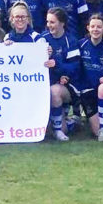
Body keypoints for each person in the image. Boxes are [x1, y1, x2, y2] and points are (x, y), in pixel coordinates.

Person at [75, 14, 103, 141]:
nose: (95, 29)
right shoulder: (81, 45)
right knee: (95, 130)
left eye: (99, 27)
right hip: (87, 92)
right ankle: (76, 123)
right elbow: (74, 67)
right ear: (88, 28)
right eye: (93, 26)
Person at [40, 8, 81, 141]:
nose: (49, 25)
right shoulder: (42, 39)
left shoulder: (71, 41)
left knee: (55, 91)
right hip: (46, 84)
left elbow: (74, 68)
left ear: (62, 23)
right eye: (47, 22)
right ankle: (67, 121)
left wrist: (56, 64)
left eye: (52, 22)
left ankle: (59, 130)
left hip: (67, 86)